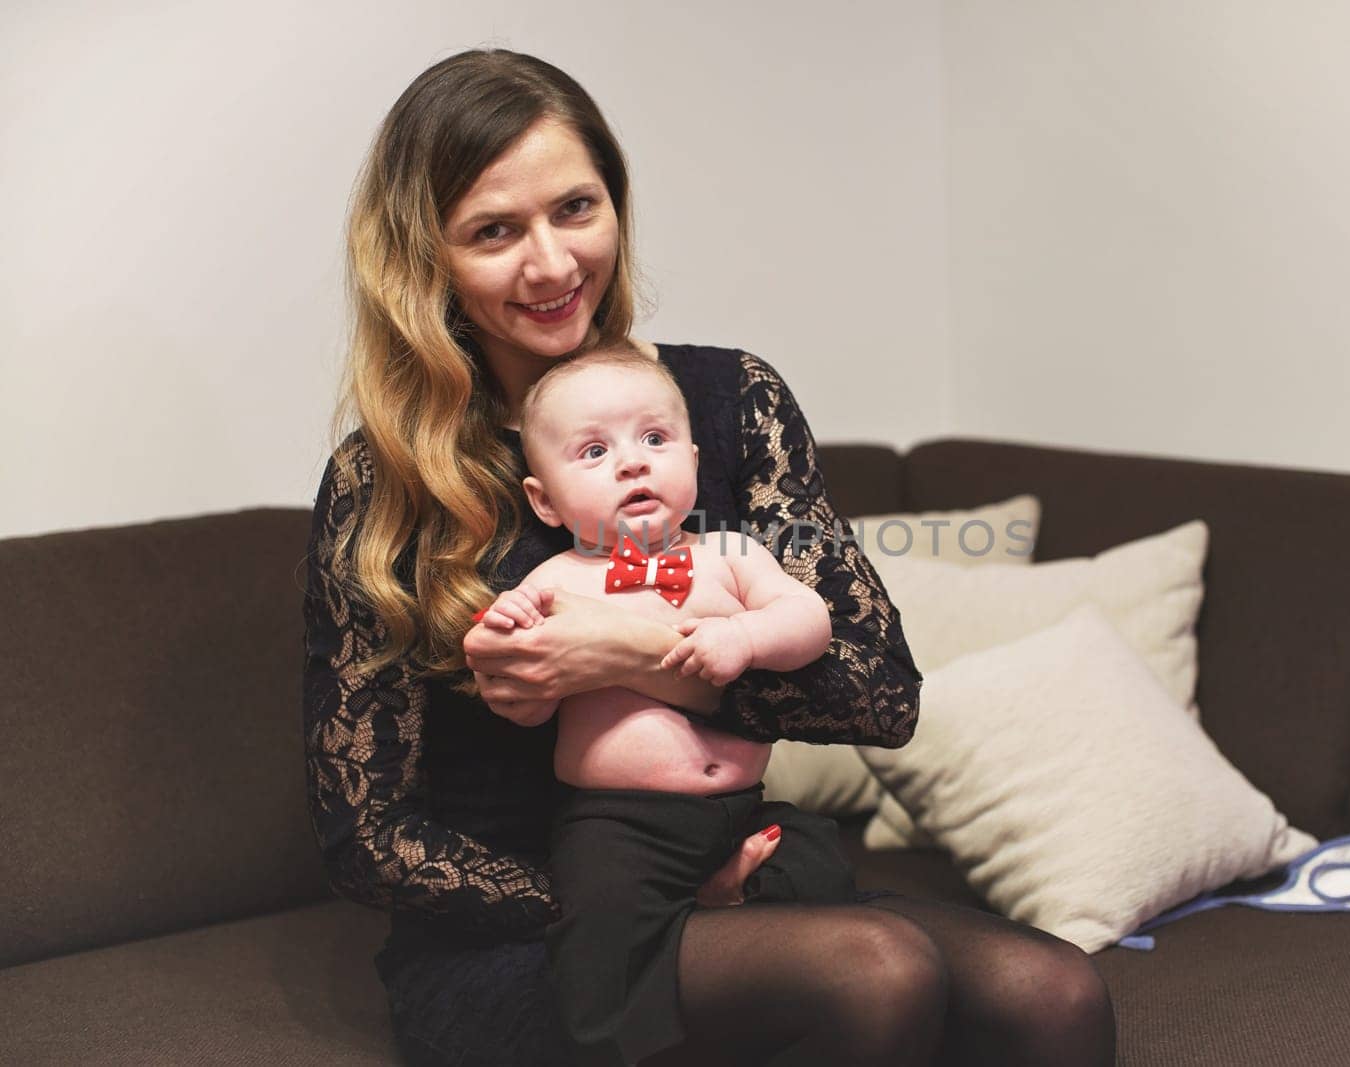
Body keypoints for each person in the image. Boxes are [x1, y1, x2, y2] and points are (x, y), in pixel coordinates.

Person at [303, 47, 1116, 1066]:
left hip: (729, 860)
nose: (552, 264)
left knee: (1056, 990)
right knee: (875, 967)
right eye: (494, 231)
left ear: (618, 204)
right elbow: (367, 832)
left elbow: (878, 690)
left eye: (575, 208)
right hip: (529, 929)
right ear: (427, 257)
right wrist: (623, 901)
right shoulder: (384, 479)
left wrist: (625, 651)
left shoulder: (728, 403)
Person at [477, 347, 862, 1063]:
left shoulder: (730, 555)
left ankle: (761, 962)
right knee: (601, 929)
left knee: (820, 862)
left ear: (690, 456)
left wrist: (744, 637)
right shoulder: (554, 579)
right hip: (622, 824)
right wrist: (506, 638)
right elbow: (524, 704)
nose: (632, 463)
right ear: (545, 500)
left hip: (745, 808)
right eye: (594, 451)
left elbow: (810, 620)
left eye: (654, 440)